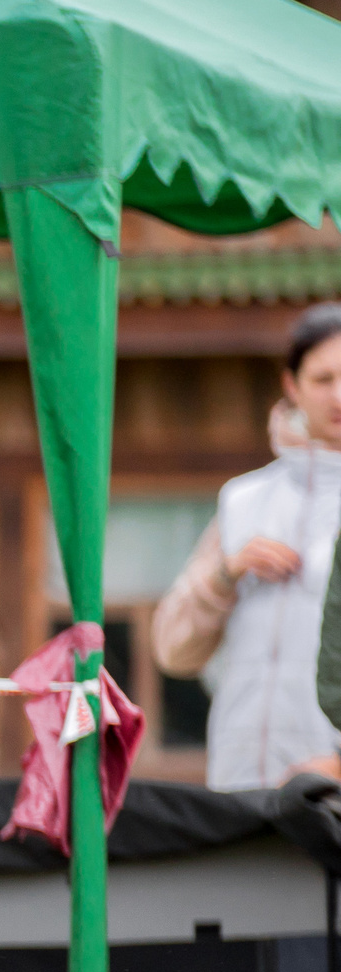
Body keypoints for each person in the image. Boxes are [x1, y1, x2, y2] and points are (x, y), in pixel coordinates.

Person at [157, 303, 341, 786]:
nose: (338, 395)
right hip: (239, 778)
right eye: (323, 379)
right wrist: (225, 573)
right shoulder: (243, 499)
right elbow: (174, 652)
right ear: (292, 386)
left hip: (327, 782)